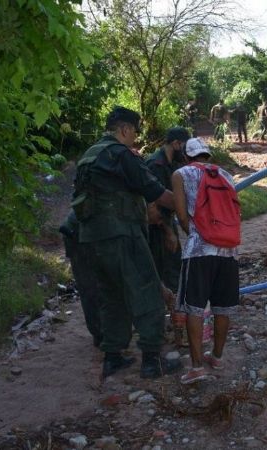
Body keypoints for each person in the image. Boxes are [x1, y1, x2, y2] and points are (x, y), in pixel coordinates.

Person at [72, 106, 182, 379]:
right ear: (124, 129)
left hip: (90, 239)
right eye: (134, 132)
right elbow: (158, 194)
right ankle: (151, 361)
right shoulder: (121, 155)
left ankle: (112, 357)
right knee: (145, 291)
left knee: (112, 296)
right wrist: (191, 207)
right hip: (122, 234)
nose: (135, 138)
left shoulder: (89, 156)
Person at [171, 137, 240, 385]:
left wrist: (194, 235)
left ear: (186, 156)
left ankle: (197, 366)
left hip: (199, 251)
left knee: (194, 308)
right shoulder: (225, 175)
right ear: (207, 155)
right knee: (223, 307)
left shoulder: (181, 174)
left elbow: (181, 214)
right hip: (229, 251)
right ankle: (218, 357)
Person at [145, 127, 191, 346]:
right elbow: (153, 207)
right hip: (158, 228)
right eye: (185, 146)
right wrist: (169, 232)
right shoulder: (156, 165)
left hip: (165, 224)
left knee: (171, 273)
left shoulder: (168, 163)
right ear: (176, 144)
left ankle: (171, 327)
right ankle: (172, 331)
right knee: (168, 275)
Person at [59, 210, 102, 348]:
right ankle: (100, 335)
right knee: (90, 287)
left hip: (81, 229)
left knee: (91, 286)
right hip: (78, 233)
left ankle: (101, 334)